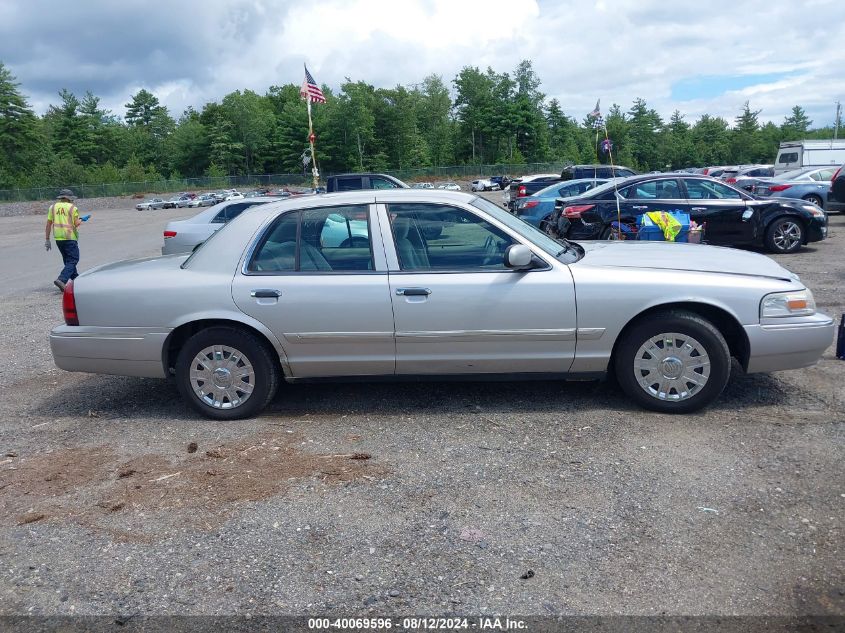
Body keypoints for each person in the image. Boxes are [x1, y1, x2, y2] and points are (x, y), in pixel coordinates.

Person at [45, 189, 83, 291]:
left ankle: (77, 281)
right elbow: (76, 223)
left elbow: (49, 223)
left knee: (68, 261)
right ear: (68, 198)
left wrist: (47, 239)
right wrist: (81, 220)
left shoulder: (52, 207)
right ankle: (62, 280)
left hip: (58, 238)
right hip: (70, 237)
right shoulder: (72, 208)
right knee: (73, 259)